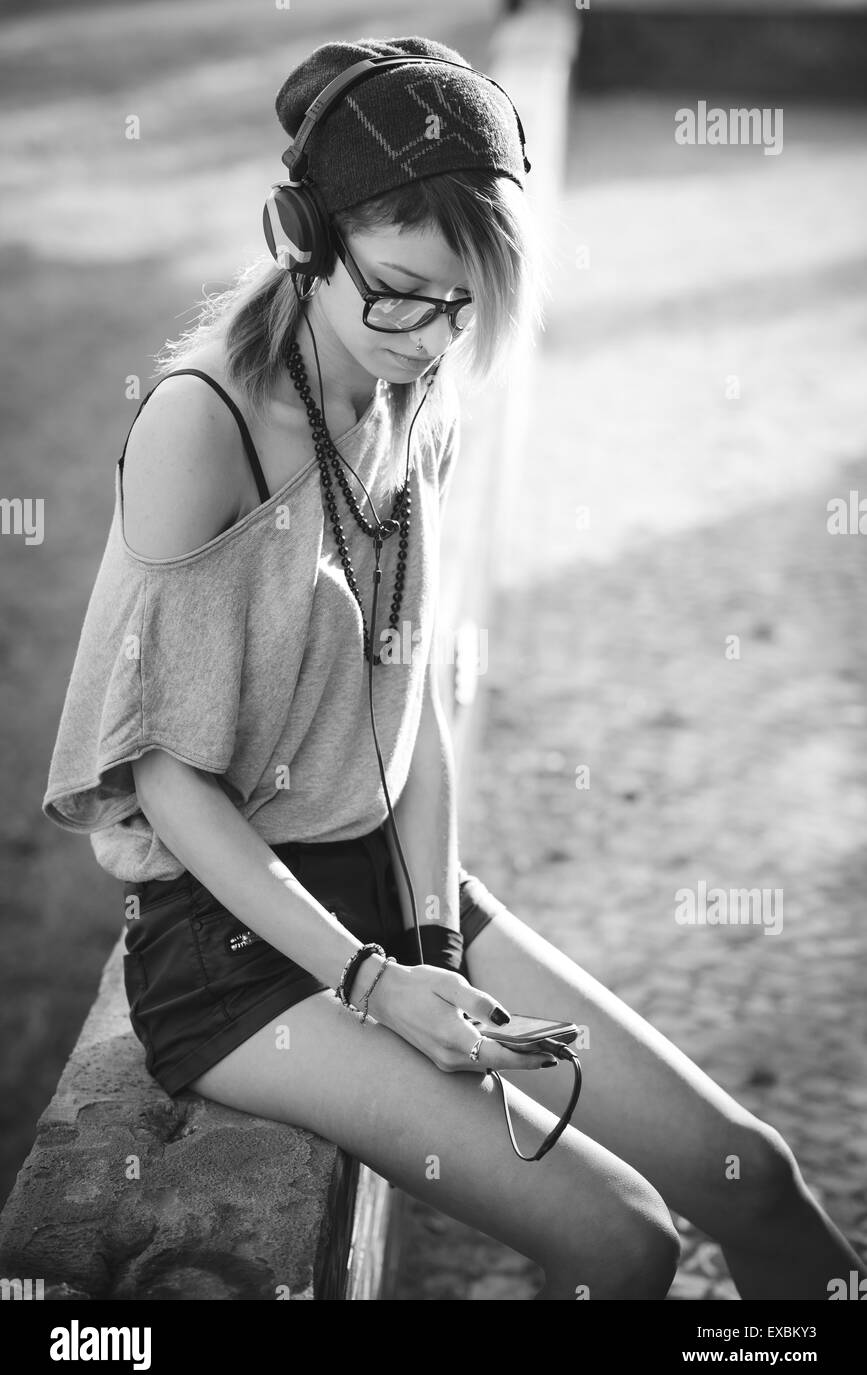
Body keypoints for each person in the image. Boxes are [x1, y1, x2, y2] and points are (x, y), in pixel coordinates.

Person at [43, 35, 866, 1301]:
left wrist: (429, 937)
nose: (430, 338)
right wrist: (377, 983)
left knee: (752, 1174)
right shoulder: (200, 427)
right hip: (233, 952)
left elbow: (410, 693)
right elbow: (170, 785)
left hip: (397, 894)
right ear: (298, 235)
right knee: (624, 1240)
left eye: (460, 304)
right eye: (399, 291)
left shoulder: (410, 385)